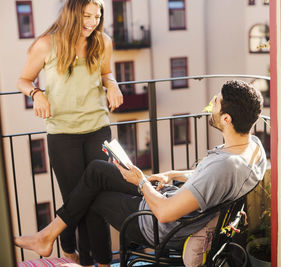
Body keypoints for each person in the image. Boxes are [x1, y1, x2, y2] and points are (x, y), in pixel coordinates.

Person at [15, 80, 267, 259]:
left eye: (217, 103)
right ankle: (48, 236)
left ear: (227, 119)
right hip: (172, 196)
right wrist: (172, 175)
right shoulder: (252, 148)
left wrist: (140, 182)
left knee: (90, 196)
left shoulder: (224, 167)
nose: (212, 105)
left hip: (157, 223)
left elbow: (166, 213)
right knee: (97, 170)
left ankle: (66, 247)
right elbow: (209, 182)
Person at [16, 0, 123, 266]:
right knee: (78, 199)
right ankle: (76, 254)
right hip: (62, 133)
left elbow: (106, 73)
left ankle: (98, 260)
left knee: (95, 199)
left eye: (96, 16)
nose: (91, 22)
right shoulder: (46, 44)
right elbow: (23, 80)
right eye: (86, 15)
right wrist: (36, 93)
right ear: (72, 13)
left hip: (98, 127)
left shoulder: (103, 42)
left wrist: (112, 83)